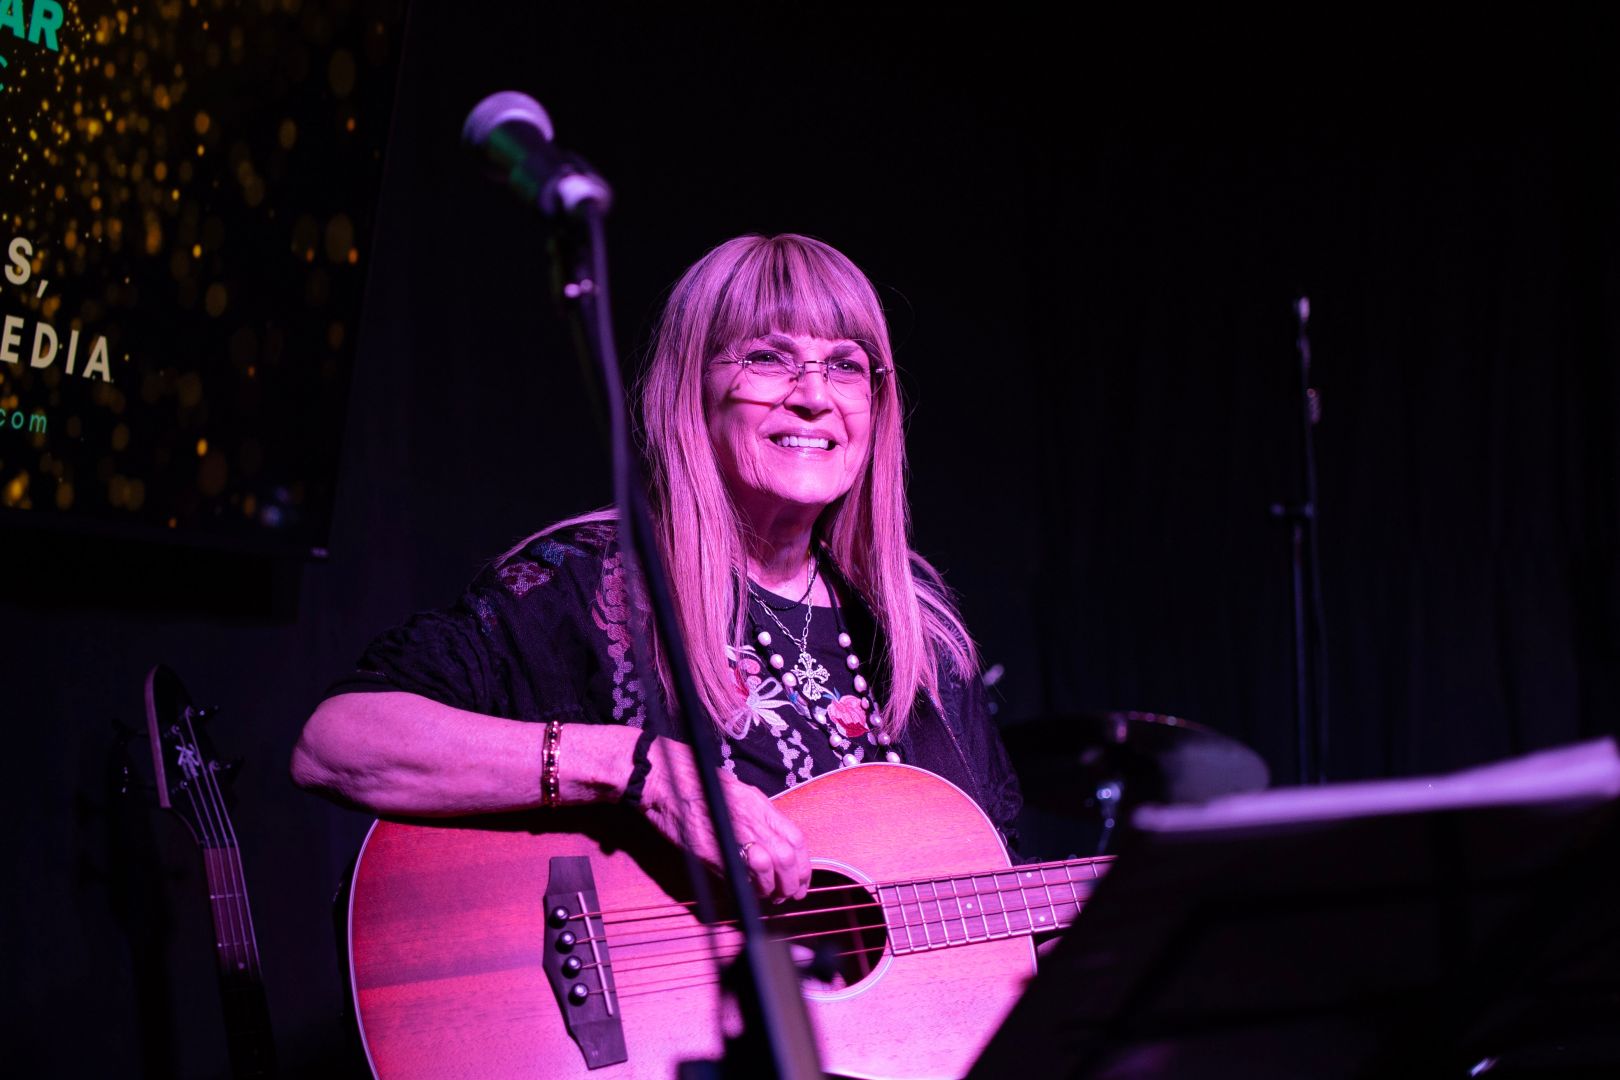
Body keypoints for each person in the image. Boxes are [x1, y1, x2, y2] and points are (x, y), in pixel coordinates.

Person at [291, 233, 1022, 903]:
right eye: (768, 359)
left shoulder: (919, 633)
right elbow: (337, 742)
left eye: (846, 366)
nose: (813, 397)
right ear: (692, 388)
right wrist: (636, 770)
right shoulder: (593, 586)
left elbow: (1006, 899)